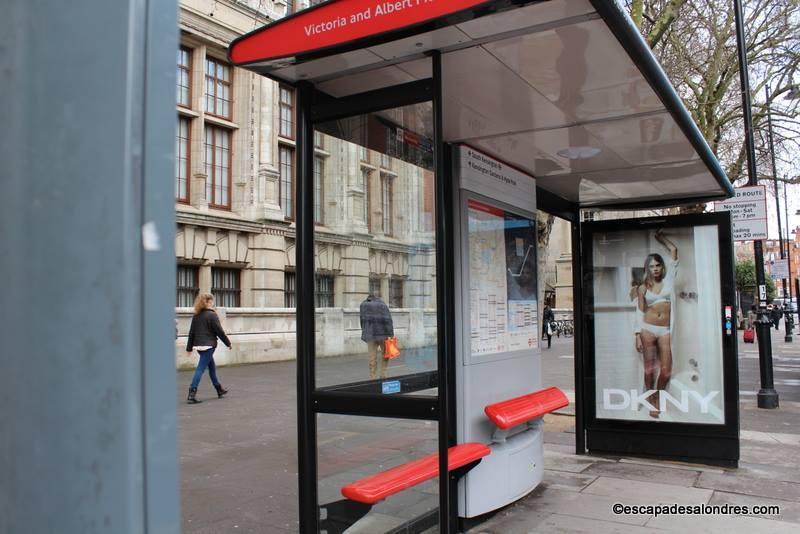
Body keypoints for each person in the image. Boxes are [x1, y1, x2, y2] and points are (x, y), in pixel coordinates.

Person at [634, 230, 678, 419]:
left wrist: (661, 238)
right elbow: (640, 311)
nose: (656, 268)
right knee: (649, 369)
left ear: (662, 267)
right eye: (652, 266)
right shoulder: (643, 288)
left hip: (665, 330)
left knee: (666, 370)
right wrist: (637, 334)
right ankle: (652, 400)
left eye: (658, 265)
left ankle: (656, 395)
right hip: (647, 329)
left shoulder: (669, 280)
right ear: (648, 269)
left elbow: (674, 250)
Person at [185, 293, 231, 404]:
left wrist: (189, 348)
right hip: (209, 345)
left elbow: (192, 332)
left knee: (211, 367)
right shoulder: (212, 315)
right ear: (208, 301)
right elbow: (219, 331)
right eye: (212, 300)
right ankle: (192, 393)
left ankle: (219, 389)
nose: (213, 302)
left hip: (199, 345)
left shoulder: (196, 315)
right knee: (200, 368)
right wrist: (228, 343)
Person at [360, 293, 394, 379]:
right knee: (386, 354)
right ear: (378, 297)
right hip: (383, 334)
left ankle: (373, 377)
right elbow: (388, 320)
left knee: (372, 358)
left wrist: (364, 331)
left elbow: (362, 320)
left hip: (370, 335)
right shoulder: (382, 304)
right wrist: (391, 334)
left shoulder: (363, 305)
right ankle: (383, 374)